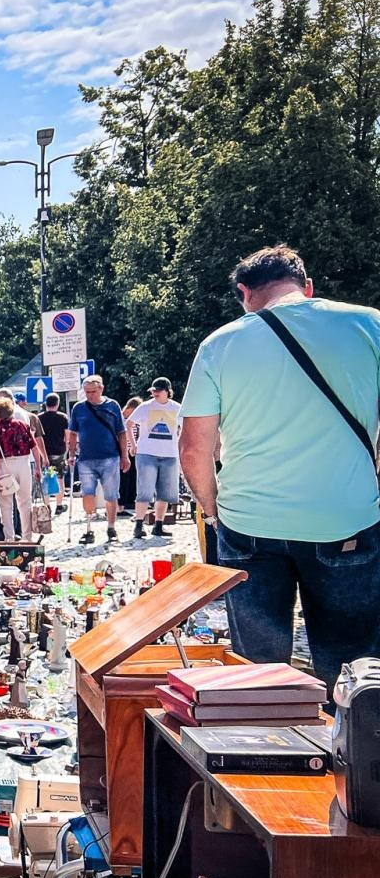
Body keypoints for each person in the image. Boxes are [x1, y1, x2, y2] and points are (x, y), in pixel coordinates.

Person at [178, 244, 380, 688]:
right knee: (353, 667)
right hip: (346, 517)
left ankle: (266, 748)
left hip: (250, 521)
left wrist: (213, 511)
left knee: (257, 669)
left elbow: (193, 449)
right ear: (307, 287)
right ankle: (351, 749)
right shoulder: (368, 323)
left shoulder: (220, 344)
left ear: (245, 293)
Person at [66, 374, 129, 544]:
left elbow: (121, 432)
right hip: (86, 458)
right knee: (87, 494)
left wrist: (125, 456)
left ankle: (111, 528)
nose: (90, 395)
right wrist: (71, 454)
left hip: (110, 457)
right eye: (86, 392)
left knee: (111, 495)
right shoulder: (78, 408)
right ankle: (89, 527)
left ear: (101, 388)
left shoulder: (113, 406)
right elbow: (72, 433)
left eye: (93, 391)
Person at [126, 376, 183, 539]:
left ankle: (159, 524)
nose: (155, 394)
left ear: (167, 391)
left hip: (169, 454)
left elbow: (186, 427)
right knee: (144, 490)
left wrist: (179, 445)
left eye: (158, 391)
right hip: (146, 453)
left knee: (165, 492)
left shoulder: (177, 408)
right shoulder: (145, 407)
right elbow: (129, 424)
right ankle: (138, 524)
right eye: (153, 391)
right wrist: (133, 445)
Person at [0, 395, 37, 541]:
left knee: (6, 506)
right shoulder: (23, 426)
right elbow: (34, 447)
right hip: (24, 464)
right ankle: (27, 537)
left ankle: (9, 538)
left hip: (5, 466)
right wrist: (37, 466)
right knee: (25, 502)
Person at [39, 393, 70, 502]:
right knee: (59, 478)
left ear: (46, 404)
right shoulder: (63, 417)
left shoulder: (39, 418)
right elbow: (67, 436)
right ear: (57, 404)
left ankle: (47, 505)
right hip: (59, 452)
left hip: (43, 453)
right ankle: (59, 505)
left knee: (45, 479)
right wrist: (66, 450)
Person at [117, 396, 141, 514]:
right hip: (125, 450)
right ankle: (124, 501)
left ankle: (130, 499)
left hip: (131, 450)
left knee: (132, 476)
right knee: (125, 477)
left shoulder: (128, 417)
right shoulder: (123, 417)